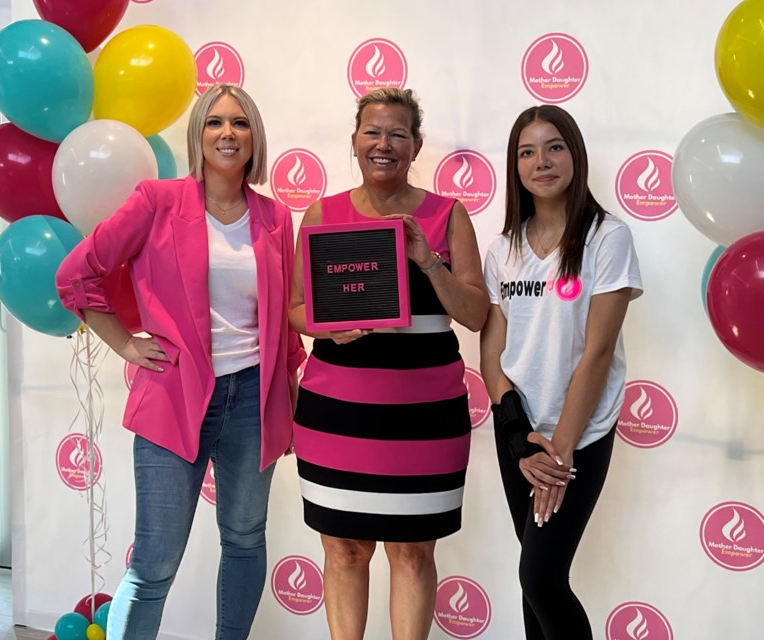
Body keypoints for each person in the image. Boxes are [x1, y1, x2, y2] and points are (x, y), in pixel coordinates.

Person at [55, 83, 306, 640]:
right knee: (154, 563)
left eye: (240, 123)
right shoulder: (157, 201)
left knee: (244, 541)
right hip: (173, 400)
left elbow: (285, 323)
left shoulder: (273, 218)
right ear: (198, 135)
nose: (227, 133)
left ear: (253, 137)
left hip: (252, 401)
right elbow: (76, 274)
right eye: (215, 122)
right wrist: (124, 343)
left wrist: (287, 402)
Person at [288, 88, 489, 640]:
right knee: (345, 551)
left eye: (398, 134)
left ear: (416, 145)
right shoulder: (322, 213)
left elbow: (475, 313)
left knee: (412, 551)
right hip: (335, 418)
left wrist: (428, 261)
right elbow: (296, 309)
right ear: (354, 142)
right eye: (373, 132)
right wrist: (326, 324)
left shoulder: (448, 215)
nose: (384, 144)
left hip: (425, 421)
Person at [480, 105, 643, 640]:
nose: (541, 161)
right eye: (526, 152)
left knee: (541, 575)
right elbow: (493, 349)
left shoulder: (606, 237)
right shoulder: (504, 247)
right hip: (520, 436)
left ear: (575, 154)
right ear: (514, 166)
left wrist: (559, 450)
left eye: (554, 147)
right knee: (534, 581)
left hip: (580, 434)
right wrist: (517, 434)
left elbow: (597, 353)